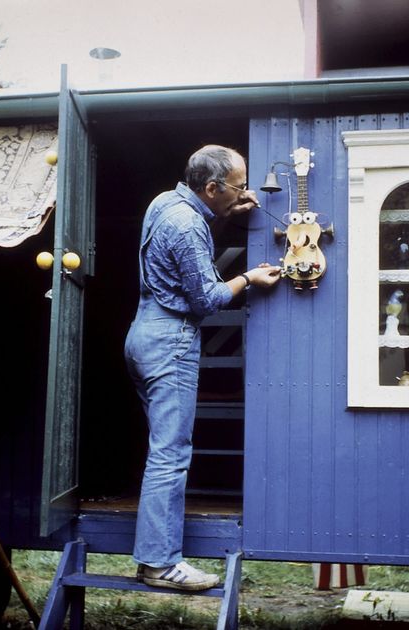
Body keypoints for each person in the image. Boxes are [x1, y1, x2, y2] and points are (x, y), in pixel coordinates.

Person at [124, 145, 281, 591]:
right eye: (238, 186)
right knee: (170, 455)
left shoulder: (165, 202)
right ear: (211, 187)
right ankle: (159, 565)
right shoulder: (188, 224)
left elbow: (185, 253)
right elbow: (207, 299)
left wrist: (230, 211)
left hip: (143, 332)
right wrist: (248, 278)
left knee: (162, 449)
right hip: (171, 342)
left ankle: (155, 558)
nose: (245, 192)